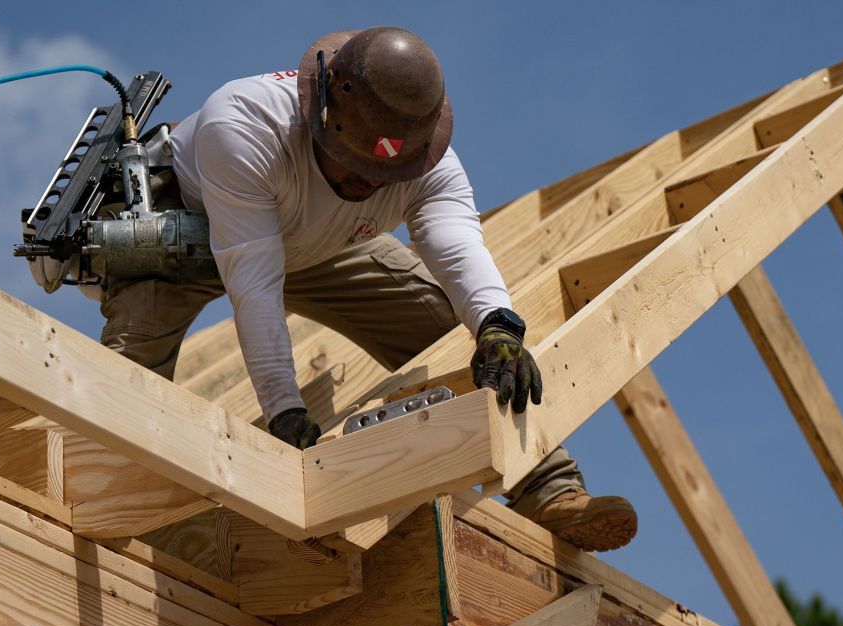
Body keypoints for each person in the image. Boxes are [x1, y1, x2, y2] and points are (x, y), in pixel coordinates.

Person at [103, 27, 637, 551]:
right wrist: (284, 410)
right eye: (356, 165)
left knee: (442, 324)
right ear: (323, 117)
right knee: (124, 390)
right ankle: (137, 536)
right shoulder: (244, 124)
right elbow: (254, 281)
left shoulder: (426, 157)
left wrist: (498, 324)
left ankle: (549, 487)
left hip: (316, 241)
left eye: (385, 174)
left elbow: (455, 242)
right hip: (182, 236)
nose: (369, 183)